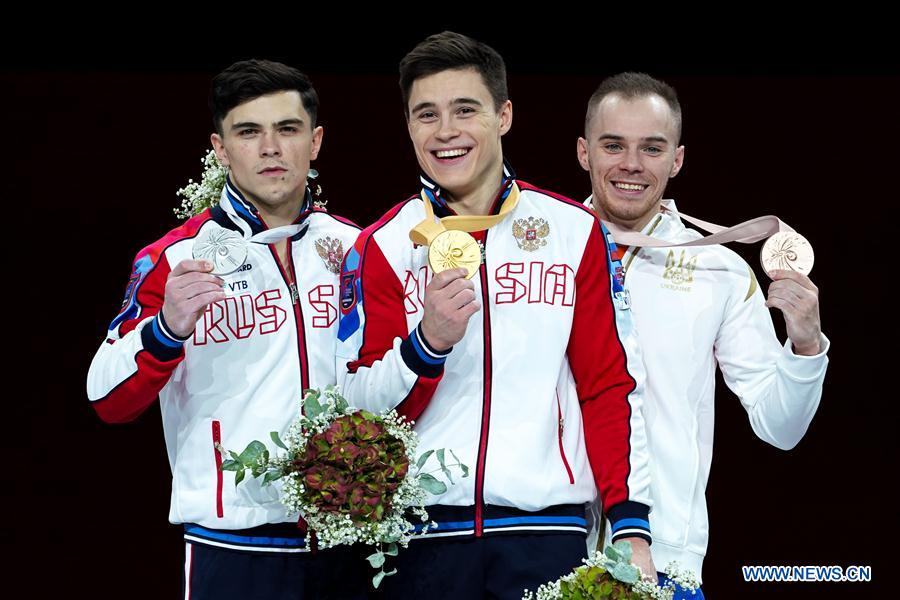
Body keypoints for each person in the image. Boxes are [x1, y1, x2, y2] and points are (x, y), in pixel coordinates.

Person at [335, 32, 654, 598]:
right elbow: (356, 409)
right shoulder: (380, 246)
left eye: (466, 110)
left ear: (504, 115)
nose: (446, 131)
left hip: (546, 530)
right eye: (426, 114)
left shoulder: (574, 232)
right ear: (409, 127)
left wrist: (630, 524)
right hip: (419, 542)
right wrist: (425, 345)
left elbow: (607, 384)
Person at [86, 59, 362, 599]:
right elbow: (105, 397)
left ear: (316, 141)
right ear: (220, 148)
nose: (270, 148)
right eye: (248, 132)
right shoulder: (175, 258)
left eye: (287, 129)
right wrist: (166, 328)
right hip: (232, 542)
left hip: (352, 537)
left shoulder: (357, 248)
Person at [577, 72, 829, 597]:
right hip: (544, 540)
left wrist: (805, 345)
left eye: (652, 148)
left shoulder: (719, 269)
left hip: (665, 554)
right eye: (612, 145)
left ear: (678, 159)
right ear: (584, 152)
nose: (631, 164)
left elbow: (778, 426)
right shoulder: (544, 256)